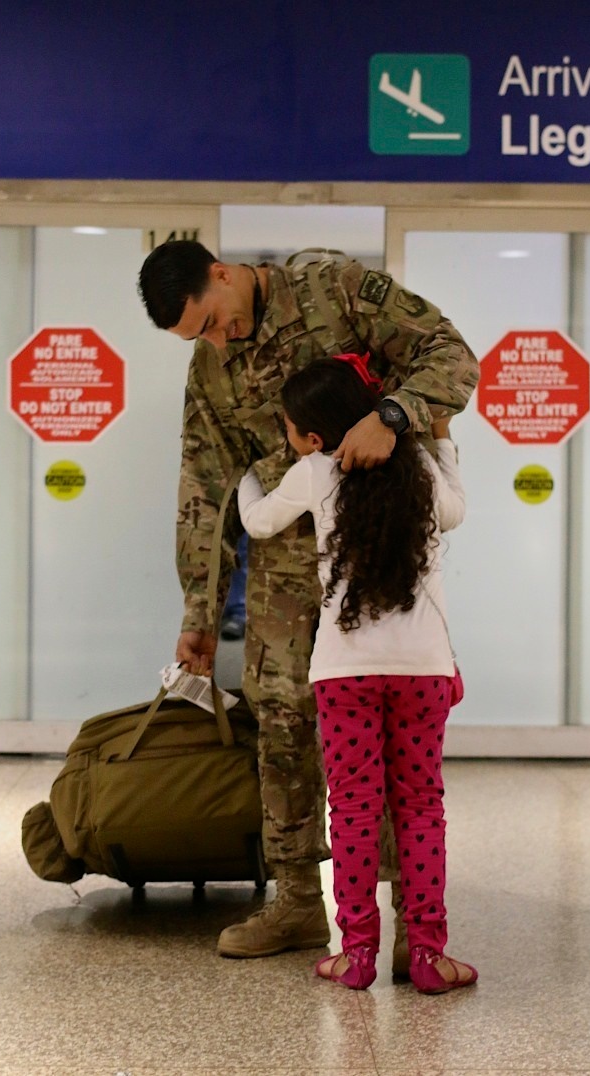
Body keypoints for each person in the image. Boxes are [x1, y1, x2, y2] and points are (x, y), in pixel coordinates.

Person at [137, 240, 478, 971]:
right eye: (197, 337)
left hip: (374, 542)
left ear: (222, 275)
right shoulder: (210, 366)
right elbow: (206, 482)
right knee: (284, 720)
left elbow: (451, 355)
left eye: (213, 321)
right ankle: (295, 902)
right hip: (286, 558)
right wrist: (199, 610)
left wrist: (391, 415)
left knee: (389, 738)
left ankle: (409, 923)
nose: (217, 340)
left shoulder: (338, 289)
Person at [238, 357, 476, 994]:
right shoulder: (419, 466)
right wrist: (445, 437)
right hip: (424, 670)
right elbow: (455, 512)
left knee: (352, 812)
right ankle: (427, 954)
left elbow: (258, 522)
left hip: (344, 676)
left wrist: (243, 482)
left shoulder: (314, 473)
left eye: (290, 429)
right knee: (421, 808)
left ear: (314, 438)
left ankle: (358, 954)